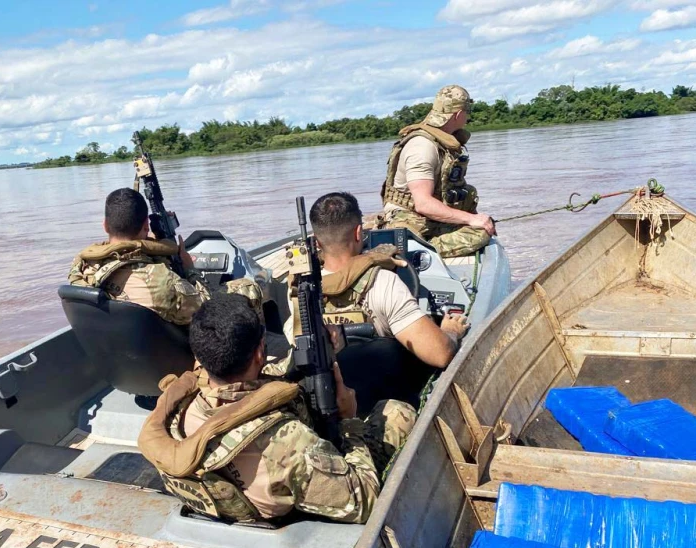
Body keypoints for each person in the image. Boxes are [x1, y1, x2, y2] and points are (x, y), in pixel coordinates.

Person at [138, 293, 416, 524]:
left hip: (245, 501)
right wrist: (348, 420)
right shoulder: (289, 443)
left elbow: (261, 382)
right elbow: (366, 500)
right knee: (396, 412)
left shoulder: (177, 408)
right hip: (301, 509)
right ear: (261, 352)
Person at [309, 192, 469, 369]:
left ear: (317, 242)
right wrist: (451, 331)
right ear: (358, 233)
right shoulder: (383, 282)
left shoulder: (301, 290)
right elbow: (441, 354)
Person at [68, 188, 263, 325]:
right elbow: (206, 308)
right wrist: (190, 269)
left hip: (122, 352)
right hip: (171, 353)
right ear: (146, 226)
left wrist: (157, 244)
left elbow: (126, 252)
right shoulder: (163, 282)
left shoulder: (82, 266)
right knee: (249, 288)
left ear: (105, 225)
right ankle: (255, 359)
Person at [370, 84, 495, 258]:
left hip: (425, 218)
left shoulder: (439, 141)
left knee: (481, 221)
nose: (468, 117)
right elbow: (423, 203)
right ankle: (415, 249)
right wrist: (471, 219)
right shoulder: (423, 147)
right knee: (481, 232)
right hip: (410, 221)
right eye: (467, 112)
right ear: (458, 114)